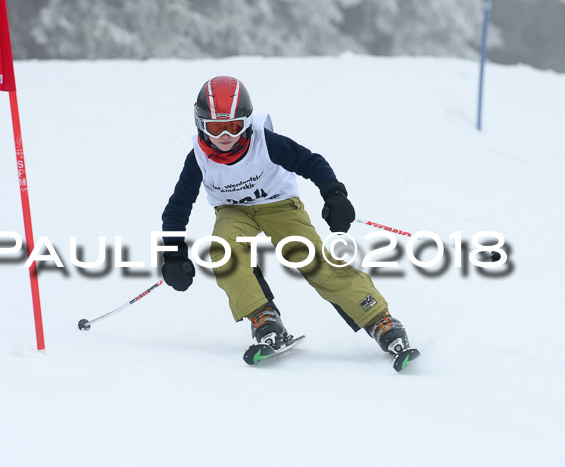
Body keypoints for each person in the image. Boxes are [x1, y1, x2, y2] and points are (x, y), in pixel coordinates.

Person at [160, 75, 417, 362]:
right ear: (200, 125)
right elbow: (177, 207)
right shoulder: (198, 158)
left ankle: (379, 320)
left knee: (311, 259)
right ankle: (263, 317)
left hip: (279, 205)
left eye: (233, 126)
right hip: (233, 211)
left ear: (246, 122)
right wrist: (172, 254)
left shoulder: (264, 142)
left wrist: (334, 195)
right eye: (216, 127)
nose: (225, 136)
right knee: (223, 250)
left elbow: (311, 162)